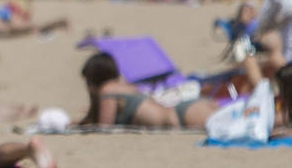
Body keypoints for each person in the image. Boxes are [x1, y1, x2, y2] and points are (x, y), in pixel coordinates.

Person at [79, 52, 219, 129]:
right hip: (189, 108)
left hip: (183, 118)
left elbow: (104, 127)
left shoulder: (107, 90)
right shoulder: (125, 87)